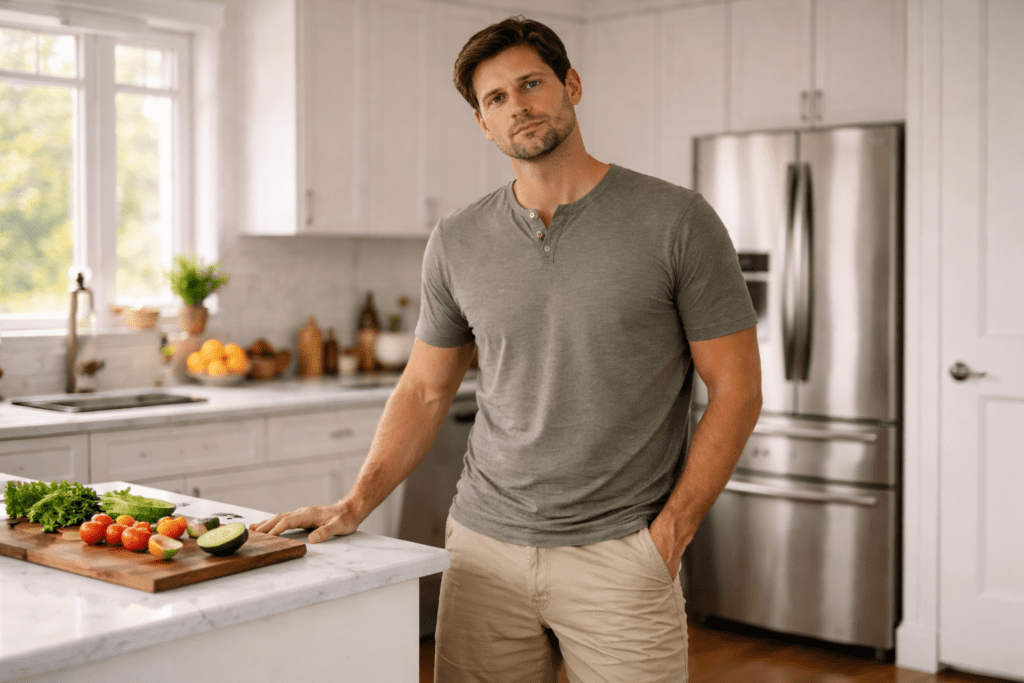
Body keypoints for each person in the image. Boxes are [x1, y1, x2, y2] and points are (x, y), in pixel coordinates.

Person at [251, 16, 762, 683]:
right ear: (482, 123)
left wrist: (670, 533)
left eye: (531, 83)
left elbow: (737, 389)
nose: (517, 104)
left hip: (621, 553)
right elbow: (424, 389)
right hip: (483, 547)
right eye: (495, 98)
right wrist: (354, 502)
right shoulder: (457, 240)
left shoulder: (676, 221)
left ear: (570, 85)